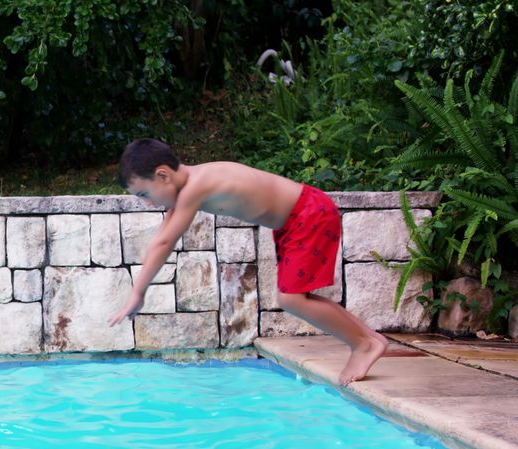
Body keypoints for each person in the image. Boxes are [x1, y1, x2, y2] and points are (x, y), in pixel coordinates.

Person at [107, 139, 388, 385]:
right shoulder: (189, 186)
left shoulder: (197, 186)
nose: (145, 202)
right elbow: (162, 239)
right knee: (298, 297)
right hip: (296, 220)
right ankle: (369, 340)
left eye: (144, 194)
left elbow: (164, 243)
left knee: (291, 299)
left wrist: (137, 293)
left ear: (163, 175)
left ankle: (363, 344)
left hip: (308, 214)